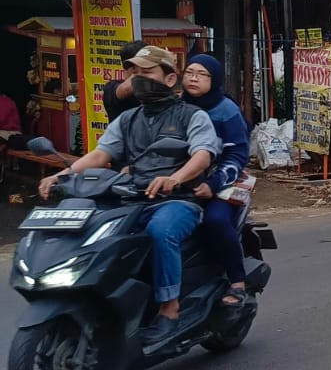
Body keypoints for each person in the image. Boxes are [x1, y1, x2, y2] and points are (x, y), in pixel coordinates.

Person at [39, 46, 218, 348]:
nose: (137, 78)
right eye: (132, 72)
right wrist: (64, 174)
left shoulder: (192, 116)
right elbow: (100, 154)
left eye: (146, 72)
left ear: (171, 78)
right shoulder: (128, 119)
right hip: (132, 198)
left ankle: (169, 308)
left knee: (161, 231)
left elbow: (202, 154)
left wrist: (175, 178)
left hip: (179, 200)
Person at [182, 54, 251, 306]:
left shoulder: (226, 111)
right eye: (189, 72)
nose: (193, 78)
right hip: (184, 180)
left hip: (222, 180)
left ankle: (237, 281)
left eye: (201, 74)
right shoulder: (178, 106)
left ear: (215, 79)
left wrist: (213, 184)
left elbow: (238, 154)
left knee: (216, 220)